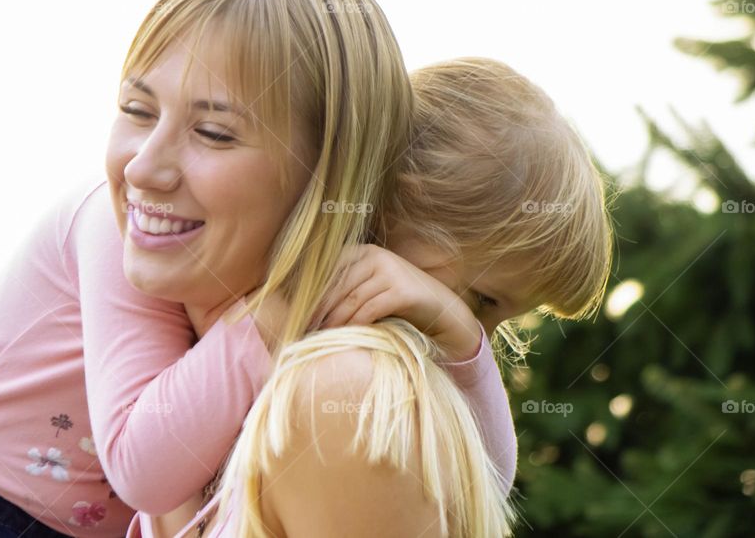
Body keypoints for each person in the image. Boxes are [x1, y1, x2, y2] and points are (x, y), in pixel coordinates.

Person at [0, 0, 514, 537]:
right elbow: (144, 467)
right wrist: (278, 313)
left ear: (324, 174)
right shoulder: (118, 232)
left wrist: (457, 334)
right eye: (137, 110)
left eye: (212, 131)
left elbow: (482, 477)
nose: (144, 167)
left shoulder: (286, 288)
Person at [138, 57, 614, 537]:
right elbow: (155, 473)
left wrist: (464, 340)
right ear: (402, 202)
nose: (479, 331)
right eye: (483, 302)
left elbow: (490, 477)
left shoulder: (392, 368)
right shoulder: (259, 292)